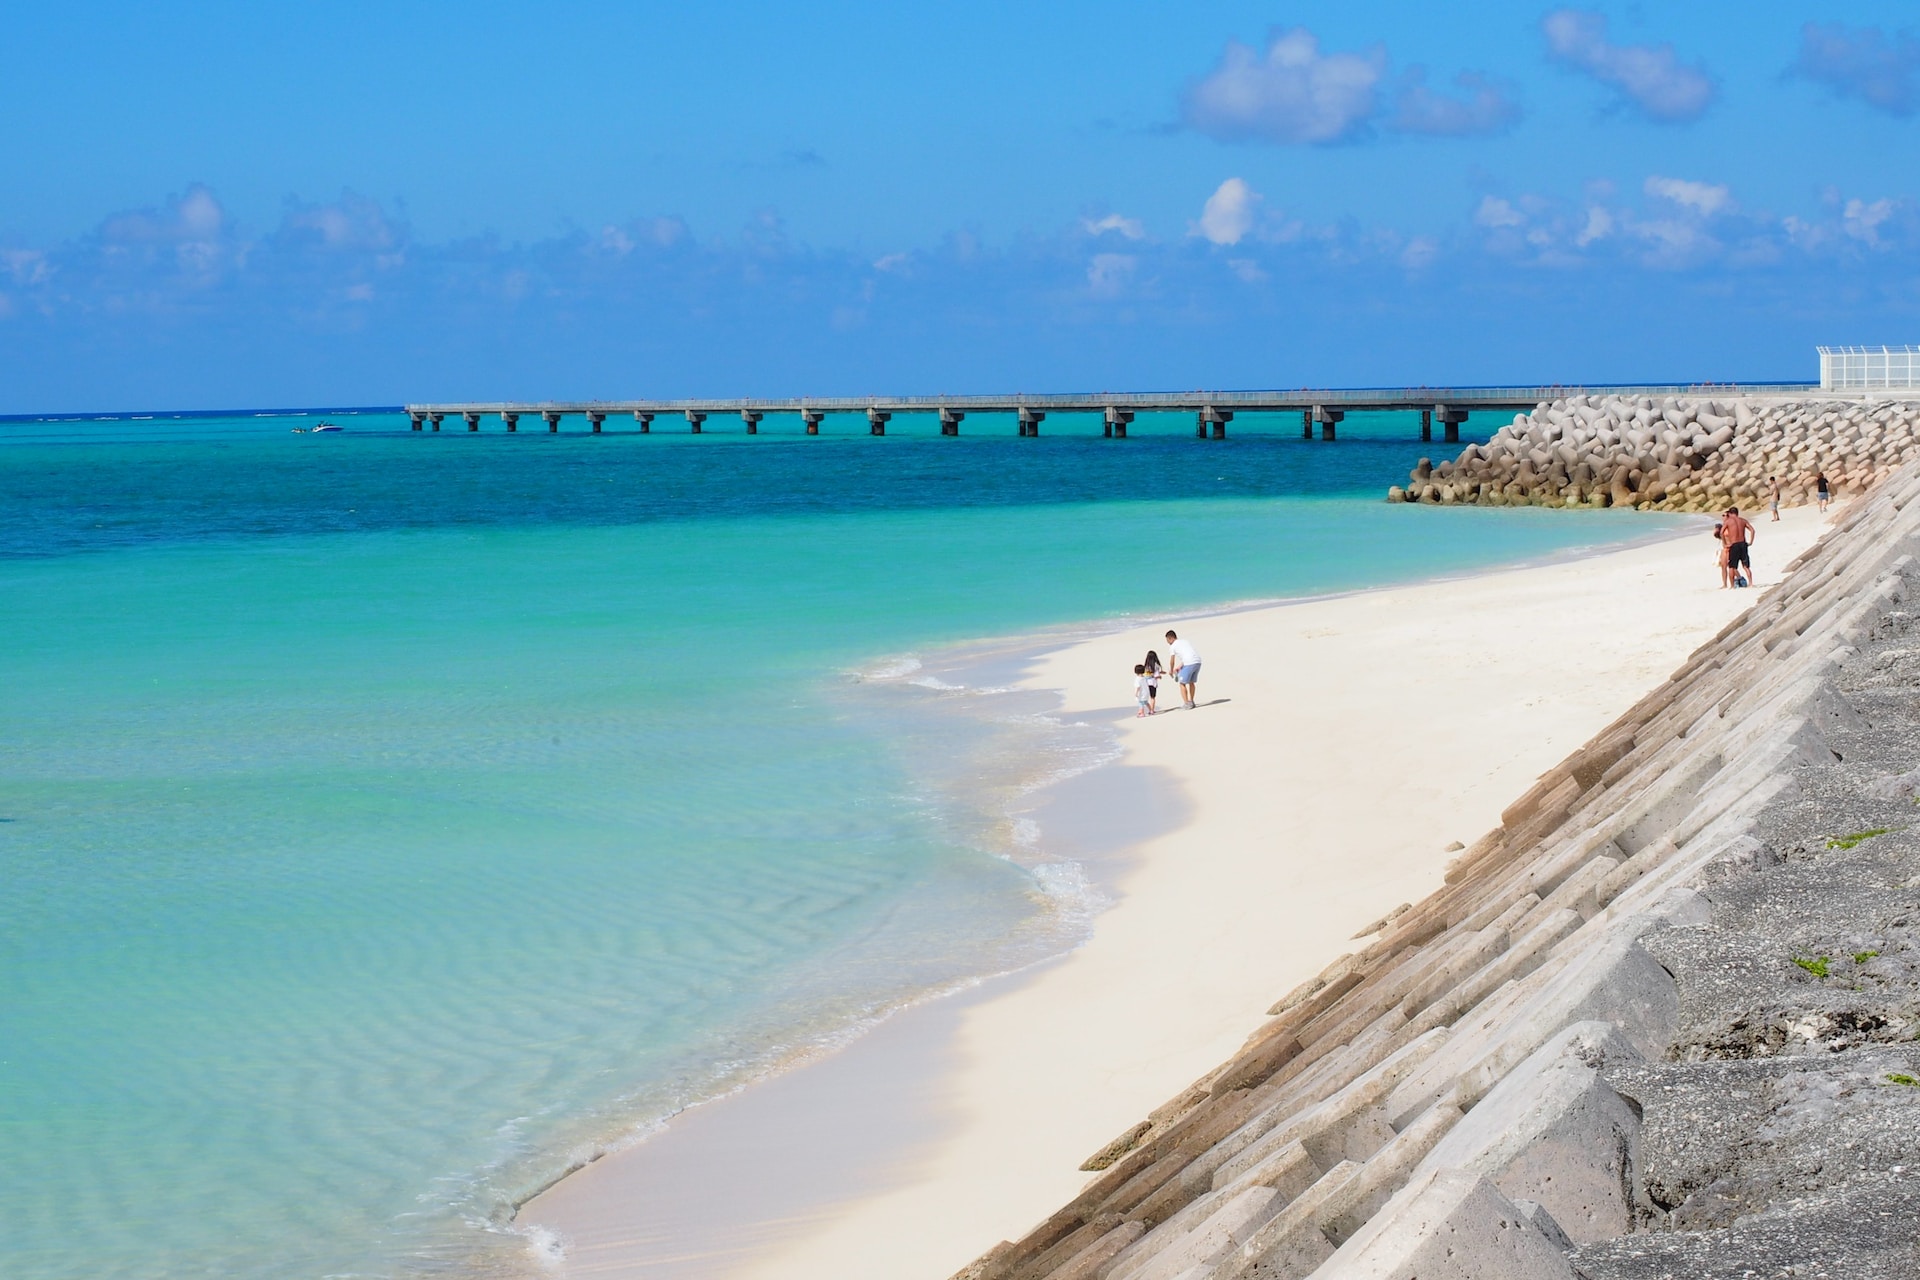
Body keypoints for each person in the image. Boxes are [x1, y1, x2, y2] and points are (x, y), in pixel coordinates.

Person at [1720, 506, 1756, 587]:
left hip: (1734, 544)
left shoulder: (1728, 522)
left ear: (1730, 513)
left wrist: (1725, 543)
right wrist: (1750, 542)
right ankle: (1751, 583)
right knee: (1746, 566)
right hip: (1743, 544)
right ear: (1737, 513)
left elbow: (1721, 532)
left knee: (1732, 567)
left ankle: (1732, 585)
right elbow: (1752, 530)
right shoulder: (1743, 520)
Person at [1165, 629, 1201, 709]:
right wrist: (1179, 667)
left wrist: (1171, 670)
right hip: (1197, 661)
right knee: (1191, 682)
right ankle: (1191, 701)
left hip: (1189, 663)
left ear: (1170, 638)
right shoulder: (1185, 641)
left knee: (1182, 683)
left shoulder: (1173, 646)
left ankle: (1187, 703)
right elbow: (1188, 654)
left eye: (1167, 640)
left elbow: (1172, 661)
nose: (1167, 642)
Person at [1143, 649, 1163, 715]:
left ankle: (1147, 709)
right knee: (1152, 697)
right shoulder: (1156, 665)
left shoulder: (1146, 666)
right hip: (1153, 683)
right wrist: (1159, 676)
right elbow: (1156, 674)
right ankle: (1152, 710)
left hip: (1146, 683)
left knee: (1146, 698)